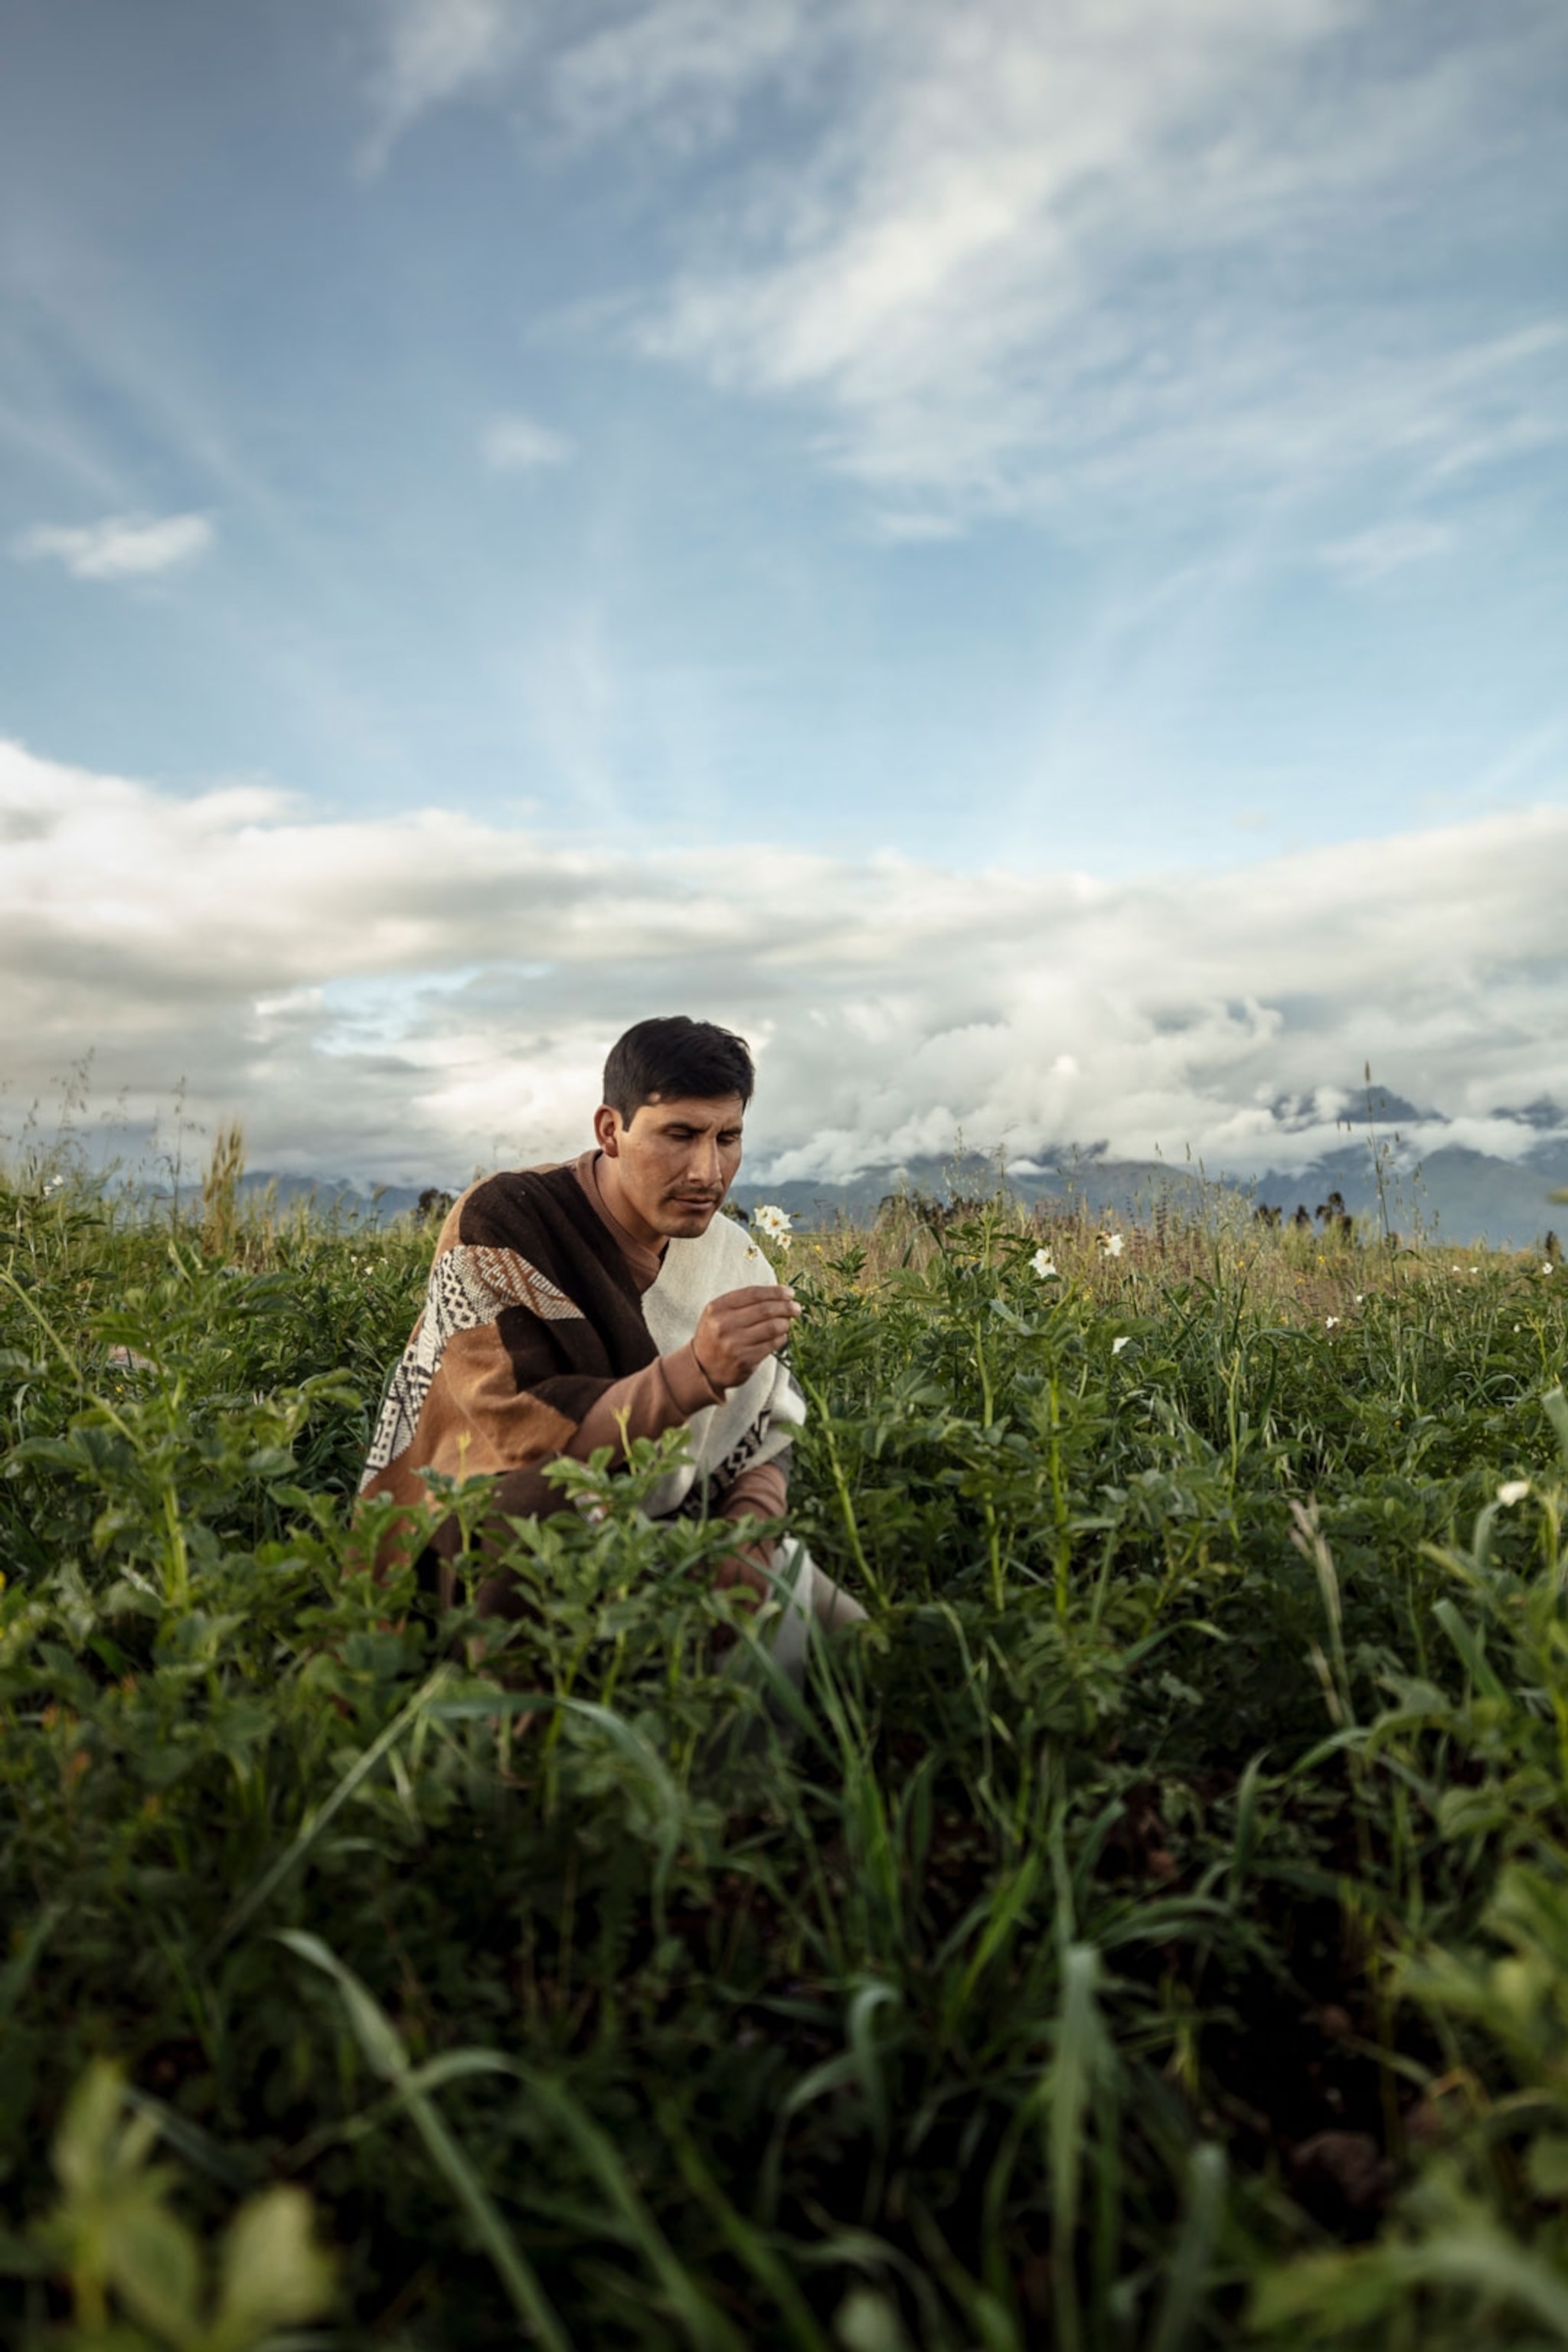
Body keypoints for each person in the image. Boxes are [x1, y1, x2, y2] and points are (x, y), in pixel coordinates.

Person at [358, 1015, 864, 1664]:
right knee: (532, 1522)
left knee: (858, 1651)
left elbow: (765, 1419)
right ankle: (521, 1755)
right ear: (611, 1131)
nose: (708, 1171)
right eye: (679, 1135)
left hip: (683, 1527)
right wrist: (695, 1372)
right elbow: (519, 1425)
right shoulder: (506, 1218)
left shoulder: (732, 1257)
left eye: (727, 1137)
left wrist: (750, 1528)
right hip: (485, 1535)